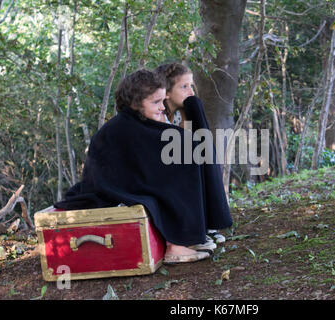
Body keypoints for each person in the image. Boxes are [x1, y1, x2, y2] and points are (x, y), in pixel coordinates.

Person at [54, 69, 232, 264]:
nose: (162, 108)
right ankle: (177, 245)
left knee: (187, 153)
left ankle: (190, 235)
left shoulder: (137, 123)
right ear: (135, 103)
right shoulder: (124, 127)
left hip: (127, 184)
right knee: (185, 159)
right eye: (155, 102)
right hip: (111, 191)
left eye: (163, 101)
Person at [155, 62, 229, 245]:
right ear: (167, 92)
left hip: (180, 165)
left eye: (191, 86)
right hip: (162, 172)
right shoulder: (158, 115)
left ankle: (207, 223)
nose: (191, 92)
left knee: (199, 159)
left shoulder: (184, 113)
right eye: (184, 87)